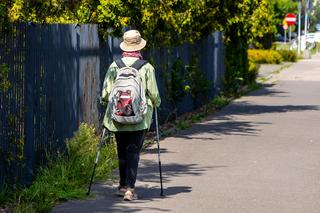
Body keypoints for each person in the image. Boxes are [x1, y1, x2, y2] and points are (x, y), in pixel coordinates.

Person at [101, 29, 161, 201]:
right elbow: (154, 94)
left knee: (121, 150)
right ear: (139, 46)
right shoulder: (147, 67)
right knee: (133, 150)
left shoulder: (114, 66)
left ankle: (121, 185)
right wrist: (156, 103)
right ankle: (130, 189)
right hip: (139, 117)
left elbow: (105, 94)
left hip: (117, 116)